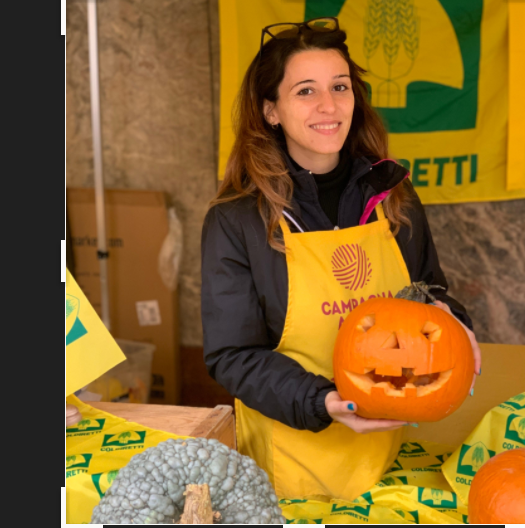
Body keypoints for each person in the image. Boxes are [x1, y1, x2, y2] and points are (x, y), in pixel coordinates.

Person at [201, 17, 482, 501]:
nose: (329, 106)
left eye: (340, 86)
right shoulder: (238, 219)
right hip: (287, 475)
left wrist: (455, 322)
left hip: (390, 464)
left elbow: (429, 292)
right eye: (305, 91)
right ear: (271, 111)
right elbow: (233, 356)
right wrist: (323, 401)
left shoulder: (393, 195)